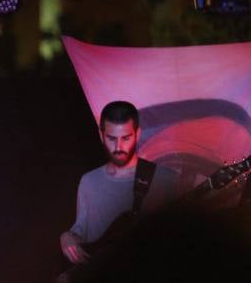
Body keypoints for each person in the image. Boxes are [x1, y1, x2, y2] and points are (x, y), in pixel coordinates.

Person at [59, 100, 180, 266]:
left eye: (126, 138)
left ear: (137, 134)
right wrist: (67, 237)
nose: (118, 147)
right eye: (111, 138)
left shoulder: (166, 179)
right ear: (101, 135)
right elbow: (79, 230)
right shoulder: (89, 182)